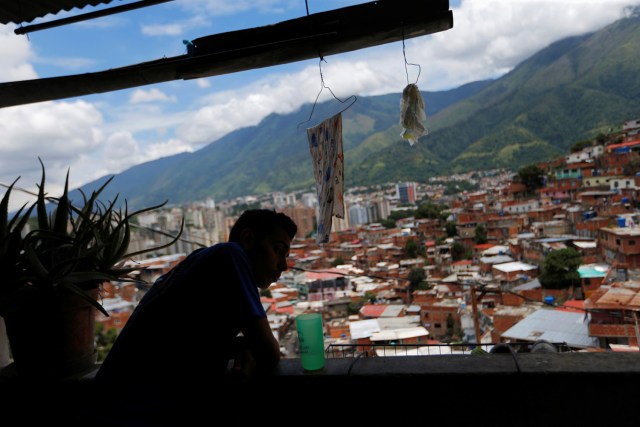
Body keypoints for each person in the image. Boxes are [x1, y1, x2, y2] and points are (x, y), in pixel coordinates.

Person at [92, 209, 297, 421]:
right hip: (133, 410)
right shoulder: (230, 257)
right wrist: (250, 345)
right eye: (277, 250)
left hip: (118, 405)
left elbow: (187, 341)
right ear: (248, 238)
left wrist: (242, 345)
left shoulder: (202, 260)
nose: (283, 265)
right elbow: (269, 353)